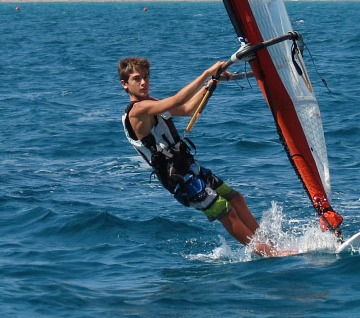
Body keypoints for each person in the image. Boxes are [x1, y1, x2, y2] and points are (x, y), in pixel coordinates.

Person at [119, 56, 290, 257]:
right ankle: (269, 253)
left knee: (236, 199)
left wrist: (212, 83)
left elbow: (187, 108)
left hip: (189, 166)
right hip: (177, 178)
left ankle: (270, 244)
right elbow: (177, 100)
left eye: (146, 77)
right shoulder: (137, 110)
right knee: (224, 209)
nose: (143, 82)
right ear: (125, 84)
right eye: (137, 79)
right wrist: (206, 73)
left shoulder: (150, 103)